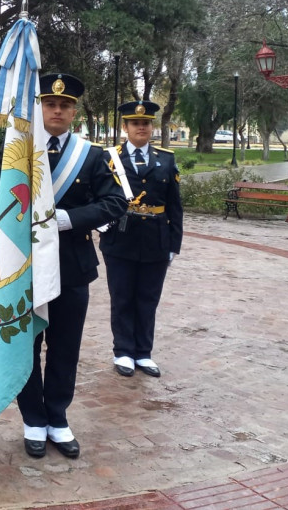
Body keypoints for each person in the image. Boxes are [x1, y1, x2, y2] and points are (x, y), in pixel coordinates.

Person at [0, 73, 125, 460]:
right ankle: (32, 419)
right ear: (40, 108)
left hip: (72, 265)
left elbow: (115, 203)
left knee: (65, 346)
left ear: (74, 111)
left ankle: (58, 417)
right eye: (50, 103)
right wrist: (8, 221)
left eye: (64, 105)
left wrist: (69, 218)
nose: (57, 110)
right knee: (26, 345)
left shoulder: (92, 155)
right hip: (24, 265)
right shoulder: (19, 148)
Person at [99, 100, 183, 379]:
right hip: (120, 238)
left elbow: (175, 206)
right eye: (135, 123)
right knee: (122, 297)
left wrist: (173, 245)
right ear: (125, 127)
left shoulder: (166, 159)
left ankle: (144, 353)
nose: (141, 127)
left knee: (148, 299)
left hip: (155, 239)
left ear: (152, 127)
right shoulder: (110, 159)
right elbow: (98, 197)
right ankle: (123, 351)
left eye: (146, 123)